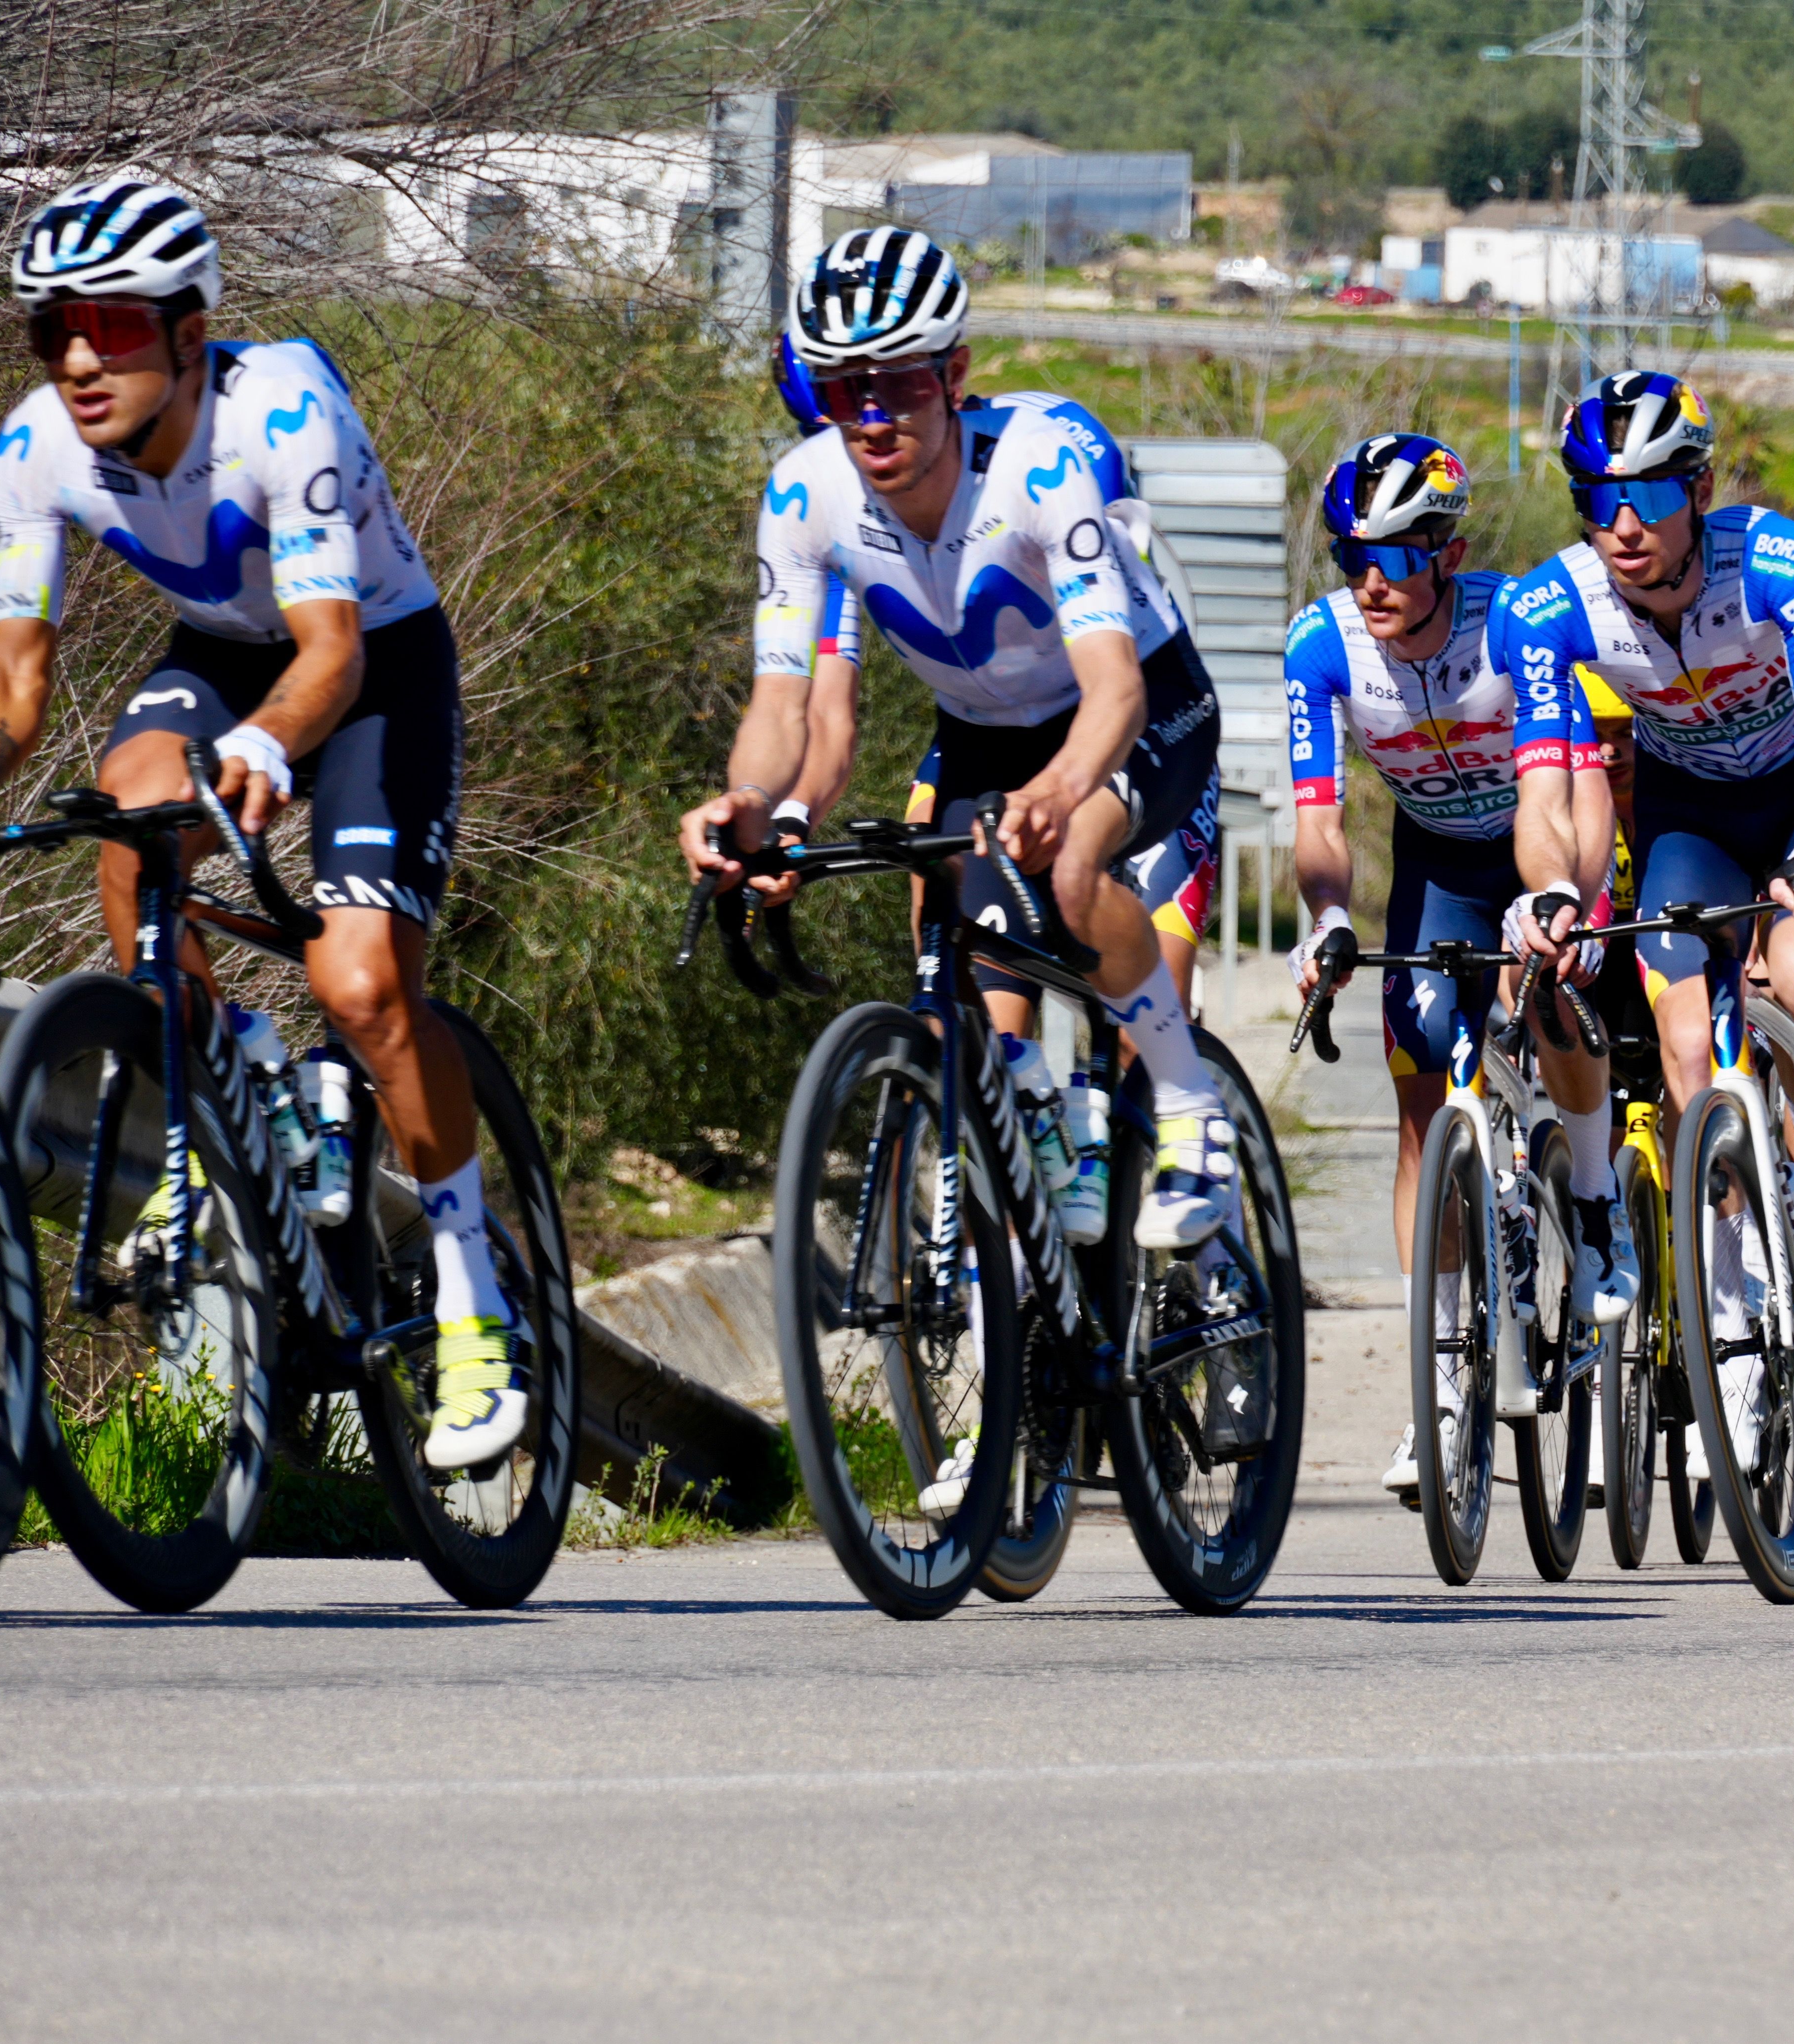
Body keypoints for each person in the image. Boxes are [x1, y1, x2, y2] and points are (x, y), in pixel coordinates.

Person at [0, 180, 528, 1470]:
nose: (76, 358)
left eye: (111, 327)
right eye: (53, 328)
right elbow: (12, 669)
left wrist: (270, 742)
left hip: (373, 663)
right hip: (220, 649)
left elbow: (329, 652)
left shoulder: (282, 408)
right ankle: (230, 1082)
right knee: (132, 829)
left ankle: (468, 1302)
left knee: (365, 983)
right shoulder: (35, 449)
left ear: (186, 330)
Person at [677, 226, 1230, 1254]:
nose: (875, 416)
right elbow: (784, 708)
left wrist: (1065, 792)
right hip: (982, 732)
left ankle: (1193, 1110)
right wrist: (749, 807)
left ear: (957, 373)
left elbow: (1114, 689)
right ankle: (1025, 1116)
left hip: (1140, 710)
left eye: (903, 386)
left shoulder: (1038, 467)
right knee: (950, 934)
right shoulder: (806, 495)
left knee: (1067, 871)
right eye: (848, 392)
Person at [1497, 371, 1794, 1488]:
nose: (1622, 526)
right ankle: (1733, 1332)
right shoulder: (1549, 609)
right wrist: (1555, 892)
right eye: (1596, 499)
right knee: (1691, 1060)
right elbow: (1551, 801)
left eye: (1648, 498)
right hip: (1689, 813)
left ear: (1697, 490)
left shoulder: (1781, 564)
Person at [1280, 433, 1633, 1498]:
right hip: (1437, 858)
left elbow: (1556, 796)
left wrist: (1556, 901)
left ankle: (1594, 1197)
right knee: (1421, 1092)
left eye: (1396, 554)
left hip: (1551, 834)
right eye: (1353, 557)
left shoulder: (1515, 624)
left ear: (1451, 551)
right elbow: (1320, 821)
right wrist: (1328, 918)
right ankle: (1437, 1386)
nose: (1372, 579)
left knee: (1552, 997)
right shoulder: (1320, 646)